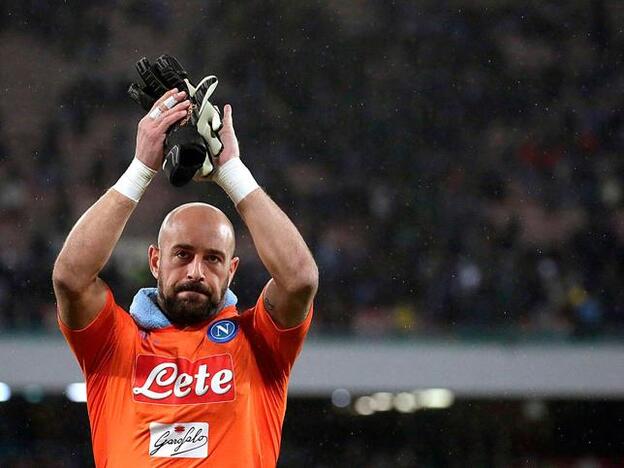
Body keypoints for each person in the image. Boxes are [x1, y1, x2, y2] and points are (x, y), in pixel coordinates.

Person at [52, 88, 319, 467]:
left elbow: (300, 279)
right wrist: (141, 169)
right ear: (155, 261)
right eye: (182, 255)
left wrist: (233, 172)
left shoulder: (260, 344)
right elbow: (70, 278)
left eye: (213, 259)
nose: (195, 271)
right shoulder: (113, 342)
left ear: (232, 270)